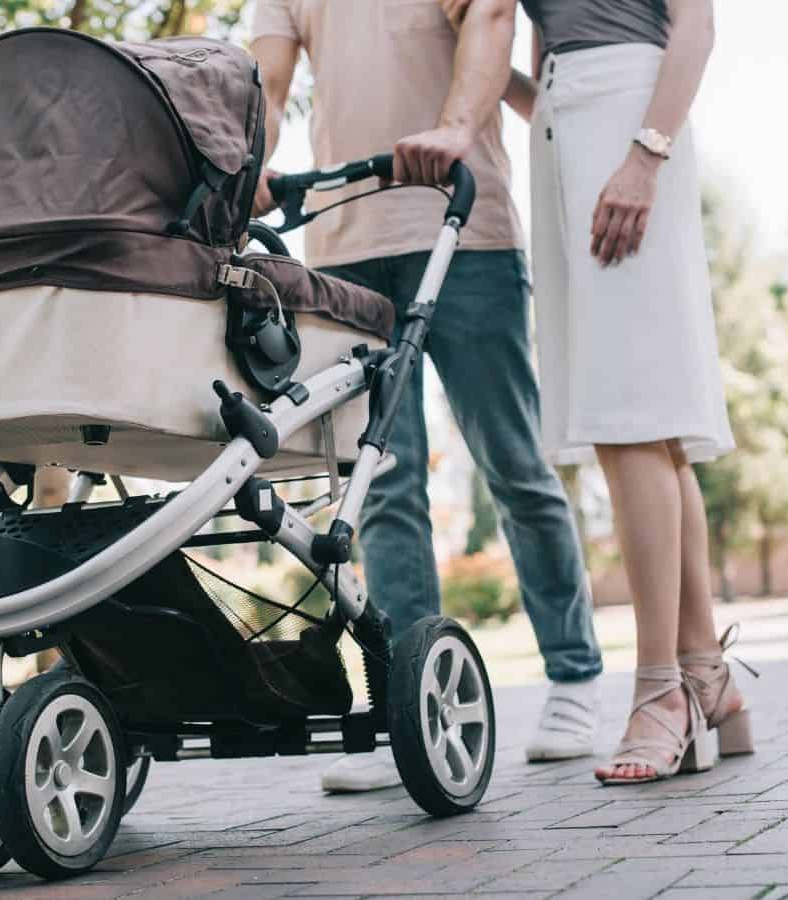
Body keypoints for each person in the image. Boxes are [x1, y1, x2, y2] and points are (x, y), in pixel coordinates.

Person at [250, 0, 605, 792]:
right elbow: (268, 85)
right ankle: (414, 712)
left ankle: (575, 677)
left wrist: (451, 128)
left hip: (463, 228)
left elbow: (489, 21)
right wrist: (255, 165)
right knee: (383, 485)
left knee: (512, 462)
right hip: (346, 248)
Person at [398, 0, 751, 785]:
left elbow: (694, 27)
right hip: (564, 125)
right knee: (648, 425)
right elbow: (548, 61)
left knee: (632, 416)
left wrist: (645, 156)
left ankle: (660, 688)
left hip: (631, 124)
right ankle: (706, 677)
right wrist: (505, 76)